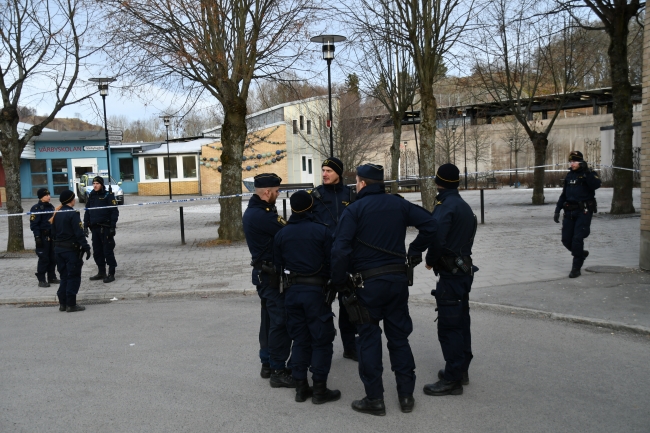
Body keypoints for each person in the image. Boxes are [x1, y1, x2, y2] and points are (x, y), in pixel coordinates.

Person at [330, 163, 437, 416]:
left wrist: (338, 281)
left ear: (363, 183)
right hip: (397, 283)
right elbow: (431, 224)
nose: (355, 185)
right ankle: (406, 396)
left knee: (368, 339)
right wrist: (414, 250)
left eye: (356, 181)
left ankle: (375, 399)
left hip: (366, 286)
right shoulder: (399, 204)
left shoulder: (354, 210)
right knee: (399, 338)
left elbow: (340, 249)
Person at [273, 190, 340, 404]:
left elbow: (277, 266)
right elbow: (333, 261)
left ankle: (301, 387)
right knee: (321, 340)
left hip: (292, 293)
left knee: (300, 340)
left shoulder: (281, 234)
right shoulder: (322, 231)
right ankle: (319, 389)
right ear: (312, 207)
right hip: (316, 293)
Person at [423, 163, 477, 397]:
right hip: (463, 271)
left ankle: (452, 378)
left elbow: (437, 237)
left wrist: (430, 259)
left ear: (438, 181)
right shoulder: (462, 205)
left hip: (450, 275)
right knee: (462, 322)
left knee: (450, 326)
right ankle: (461, 370)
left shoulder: (445, 206)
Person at [242, 173, 294, 388]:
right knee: (279, 321)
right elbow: (289, 232)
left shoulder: (259, 211)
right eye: (276, 191)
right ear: (266, 192)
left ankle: (267, 363)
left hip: (265, 274)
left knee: (269, 321)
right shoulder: (262, 215)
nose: (278, 194)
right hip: (271, 276)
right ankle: (278, 370)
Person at [310, 157, 357, 361]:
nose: (325, 174)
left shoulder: (351, 194)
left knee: (349, 306)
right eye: (323, 170)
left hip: (348, 257)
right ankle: (321, 348)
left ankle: (350, 347)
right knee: (322, 305)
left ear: (339, 172)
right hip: (324, 258)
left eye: (329, 170)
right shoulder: (316, 196)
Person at [554, 151, 601, 278]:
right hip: (569, 211)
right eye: (571, 161)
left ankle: (576, 267)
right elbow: (564, 194)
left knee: (577, 239)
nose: (572, 164)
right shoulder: (570, 176)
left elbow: (596, 185)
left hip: (583, 211)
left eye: (574, 161)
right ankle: (580, 254)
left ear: (581, 162)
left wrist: (587, 174)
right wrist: (557, 209)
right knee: (566, 239)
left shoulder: (589, 174)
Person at [49, 190, 91, 312]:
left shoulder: (56, 213)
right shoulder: (73, 214)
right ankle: (71, 304)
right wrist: (86, 247)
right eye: (74, 198)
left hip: (59, 250)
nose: (75, 200)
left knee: (64, 277)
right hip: (71, 251)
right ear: (70, 200)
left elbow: (53, 233)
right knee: (73, 276)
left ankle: (63, 303)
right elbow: (79, 233)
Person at [83, 175, 119, 283]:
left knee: (107, 251)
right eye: (93, 183)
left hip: (106, 228)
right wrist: (85, 225)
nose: (95, 185)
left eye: (97, 183)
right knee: (97, 252)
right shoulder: (92, 195)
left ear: (101, 184)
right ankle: (101, 271)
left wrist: (112, 226)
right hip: (95, 228)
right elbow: (87, 211)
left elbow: (114, 212)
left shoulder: (108, 195)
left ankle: (111, 273)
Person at [30, 188, 59, 287]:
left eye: (49, 195)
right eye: (46, 195)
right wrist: (37, 237)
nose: (49, 197)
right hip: (42, 237)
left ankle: (52, 277)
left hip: (52, 236)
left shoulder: (51, 207)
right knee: (43, 258)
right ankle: (41, 279)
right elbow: (34, 224)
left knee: (53, 257)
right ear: (41, 197)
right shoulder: (36, 208)